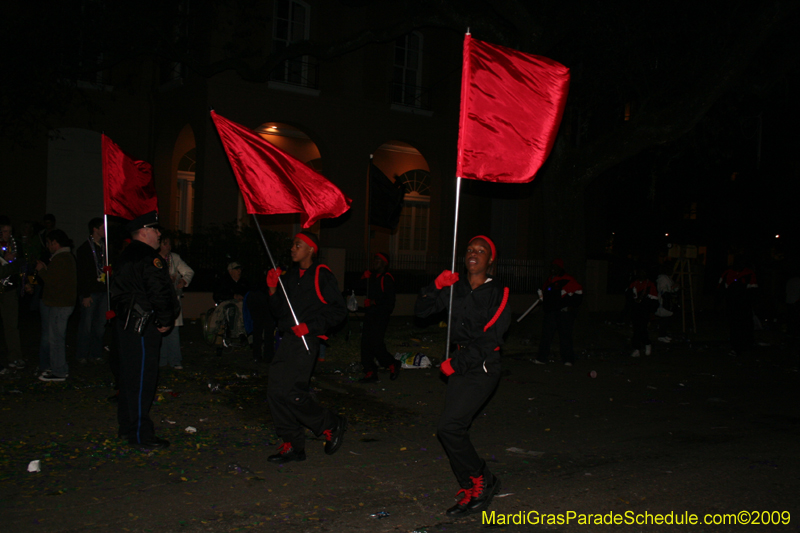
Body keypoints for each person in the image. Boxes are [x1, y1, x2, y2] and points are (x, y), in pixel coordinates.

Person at [415, 235, 510, 518]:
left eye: (481, 251)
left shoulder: (499, 291)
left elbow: (491, 338)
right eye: (470, 249)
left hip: (481, 367)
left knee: (449, 427)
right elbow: (421, 312)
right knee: (451, 429)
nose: (473, 254)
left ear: (490, 260)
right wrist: (436, 286)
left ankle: (483, 481)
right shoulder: (455, 287)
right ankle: (472, 484)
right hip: (458, 365)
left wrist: (457, 363)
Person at [265, 231, 347, 463]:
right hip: (290, 339)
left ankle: (330, 423)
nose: (293, 248)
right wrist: (272, 289)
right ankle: (293, 444)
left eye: (298, 245)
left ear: (311, 250)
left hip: (306, 341)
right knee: (276, 390)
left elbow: (338, 311)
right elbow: (280, 312)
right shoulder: (290, 276)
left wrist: (310, 326)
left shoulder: (322, 275)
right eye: (293, 244)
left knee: (292, 392)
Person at [110, 211, 178, 449]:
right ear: (143, 232)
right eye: (155, 229)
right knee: (142, 380)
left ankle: (128, 426)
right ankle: (140, 434)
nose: (159, 234)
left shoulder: (125, 256)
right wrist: (165, 319)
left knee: (129, 377)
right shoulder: (148, 258)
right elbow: (158, 292)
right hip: (142, 325)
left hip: (127, 324)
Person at [35, 229, 77, 381]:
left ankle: (59, 371)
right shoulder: (65, 257)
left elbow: (53, 282)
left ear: (55, 243)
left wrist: (42, 271)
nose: (48, 246)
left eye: (49, 243)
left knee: (56, 339)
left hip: (60, 304)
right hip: (62, 303)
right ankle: (58, 368)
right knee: (57, 338)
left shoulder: (61, 259)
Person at [358, 252, 399, 383]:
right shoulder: (373, 277)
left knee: (376, 344)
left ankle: (391, 363)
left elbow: (389, 301)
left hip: (381, 316)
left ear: (385, 263)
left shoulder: (387, 278)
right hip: (370, 314)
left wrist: (374, 302)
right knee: (365, 344)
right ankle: (370, 371)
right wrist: (364, 279)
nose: (375, 262)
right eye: (374, 259)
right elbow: (361, 289)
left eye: (378, 260)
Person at [534, 259, 583, 366]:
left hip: (564, 313)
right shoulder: (549, 281)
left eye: (555, 267)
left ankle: (568, 359)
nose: (552, 269)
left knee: (565, 336)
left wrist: (571, 306)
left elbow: (578, 293)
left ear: (560, 268)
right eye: (551, 267)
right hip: (551, 313)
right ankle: (542, 358)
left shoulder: (568, 279)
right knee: (546, 336)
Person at [158, 234, 194, 369]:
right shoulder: (153, 258)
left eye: (169, 244)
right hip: (158, 299)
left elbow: (189, 272)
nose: (168, 246)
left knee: (173, 331)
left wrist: (183, 280)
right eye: (165, 243)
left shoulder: (174, 258)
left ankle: (174, 360)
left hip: (172, 299)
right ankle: (161, 360)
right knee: (160, 330)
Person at [75, 218, 108, 364]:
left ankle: (96, 353)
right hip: (91, 292)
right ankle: (82, 354)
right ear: (94, 229)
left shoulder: (105, 247)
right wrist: (86, 294)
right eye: (102, 227)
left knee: (100, 325)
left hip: (103, 291)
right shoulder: (84, 249)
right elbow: (82, 274)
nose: (104, 230)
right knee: (86, 325)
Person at [719, 261, 758, 356]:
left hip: (744, 305)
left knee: (745, 325)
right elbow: (721, 289)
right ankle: (737, 346)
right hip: (732, 305)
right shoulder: (727, 273)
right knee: (735, 326)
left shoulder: (748, 274)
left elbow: (754, 290)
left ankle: (746, 345)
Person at [0, 220, 23, 374]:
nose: (6, 235)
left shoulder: (16, 245)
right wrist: (7, 261)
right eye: (3, 231)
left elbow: (22, 264)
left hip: (10, 290)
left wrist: (27, 283)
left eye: (9, 231)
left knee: (11, 325)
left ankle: (14, 356)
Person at [211, 261, 249, 345]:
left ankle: (245, 332)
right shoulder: (223, 282)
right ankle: (239, 332)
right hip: (227, 302)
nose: (239, 271)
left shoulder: (243, 282)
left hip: (241, 303)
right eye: (237, 269)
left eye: (240, 269)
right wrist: (233, 296)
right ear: (230, 271)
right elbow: (217, 295)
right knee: (237, 306)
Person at [628, 269, 659, 357]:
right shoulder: (634, 283)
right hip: (635, 310)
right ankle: (637, 348)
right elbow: (629, 297)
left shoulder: (650, 284)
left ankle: (647, 343)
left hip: (645, 311)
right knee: (636, 329)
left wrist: (650, 312)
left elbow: (654, 300)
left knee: (642, 329)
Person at [655, 265, 679, 343]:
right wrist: (672, 288)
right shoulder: (663, 278)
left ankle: (664, 335)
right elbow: (663, 290)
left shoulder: (667, 278)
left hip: (667, 300)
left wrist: (674, 288)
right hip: (664, 301)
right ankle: (661, 335)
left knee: (667, 319)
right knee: (664, 319)